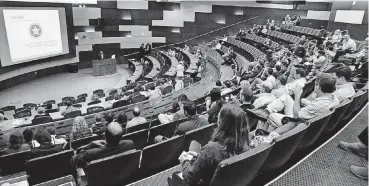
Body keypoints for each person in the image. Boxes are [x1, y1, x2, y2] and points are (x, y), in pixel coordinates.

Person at [174, 105, 250, 186]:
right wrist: (201, 156)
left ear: (221, 122)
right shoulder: (245, 144)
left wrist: (185, 161)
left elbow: (190, 178)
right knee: (194, 144)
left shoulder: (211, 149)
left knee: (175, 175)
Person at [251, 73, 339, 133]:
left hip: (295, 122)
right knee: (286, 97)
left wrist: (297, 96)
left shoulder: (317, 105)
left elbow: (297, 116)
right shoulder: (333, 98)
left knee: (268, 116)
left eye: (316, 84)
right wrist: (308, 102)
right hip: (304, 115)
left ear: (319, 86)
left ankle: (260, 136)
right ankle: (266, 110)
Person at [71, 122, 135, 168]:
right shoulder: (130, 144)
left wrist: (90, 145)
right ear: (121, 137)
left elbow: (73, 160)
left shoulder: (90, 153)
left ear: (104, 136)